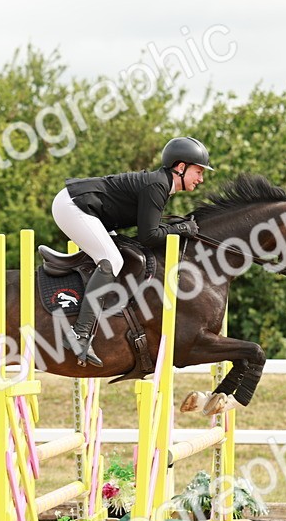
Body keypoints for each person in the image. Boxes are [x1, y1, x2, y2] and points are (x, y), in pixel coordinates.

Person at [51, 136, 212, 366]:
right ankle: (80, 333)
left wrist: (177, 229)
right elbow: (149, 236)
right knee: (111, 261)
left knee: (118, 255)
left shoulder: (161, 185)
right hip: (73, 205)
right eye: (198, 171)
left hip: (86, 209)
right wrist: (182, 228)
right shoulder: (157, 185)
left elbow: (149, 232)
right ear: (181, 167)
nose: (201, 179)